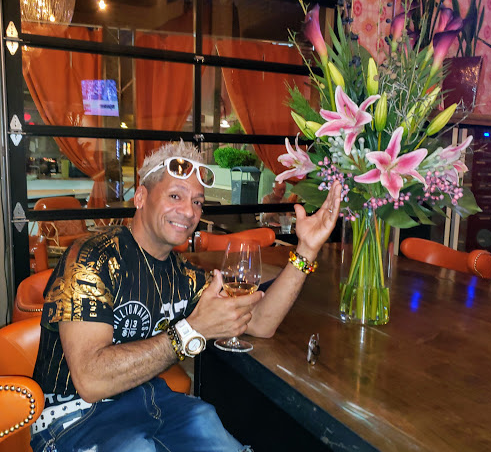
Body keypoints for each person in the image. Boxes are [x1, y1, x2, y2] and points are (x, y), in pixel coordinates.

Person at [31, 140, 342, 452]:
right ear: (141, 197)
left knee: (211, 424)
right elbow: (91, 381)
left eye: (197, 202)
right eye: (175, 196)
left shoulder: (183, 275)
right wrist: (192, 331)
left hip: (149, 401)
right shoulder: (93, 257)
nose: (189, 211)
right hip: (73, 417)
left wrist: (306, 250)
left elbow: (260, 322)